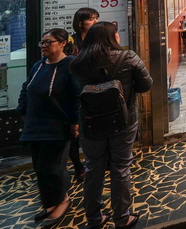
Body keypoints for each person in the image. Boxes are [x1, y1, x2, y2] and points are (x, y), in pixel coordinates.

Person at [70, 22, 152, 229]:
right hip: (122, 121)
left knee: (93, 168)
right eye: (116, 34)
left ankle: (94, 219)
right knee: (121, 168)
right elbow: (146, 84)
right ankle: (122, 217)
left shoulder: (78, 62)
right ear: (112, 37)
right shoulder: (128, 57)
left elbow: (74, 93)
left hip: (90, 124)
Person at [17, 28, 80, 228]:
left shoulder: (69, 65)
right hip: (35, 124)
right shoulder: (38, 65)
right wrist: (22, 109)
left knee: (52, 167)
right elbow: (27, 87)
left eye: (48, 42)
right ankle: (52, 202)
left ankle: (62, 201)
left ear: (62, 44)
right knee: (40, 167)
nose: (44, 46)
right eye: (42, 43)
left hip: (57, 125)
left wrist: (76, 122)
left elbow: (77, 96)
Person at [68, 7, 99, 182]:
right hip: (76, 91)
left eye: (96, 18)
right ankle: (78, 167)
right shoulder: (71, 41)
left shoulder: (98, 38)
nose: (95, 22)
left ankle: (94, 162)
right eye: (91, 19)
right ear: (80, 23)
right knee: (74, 133)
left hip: (94, 90)